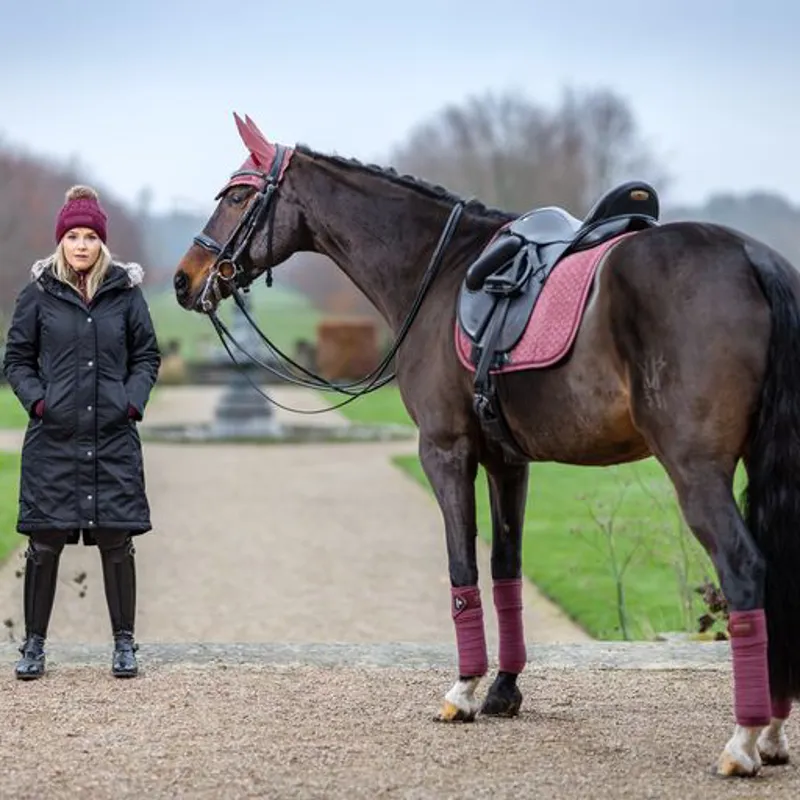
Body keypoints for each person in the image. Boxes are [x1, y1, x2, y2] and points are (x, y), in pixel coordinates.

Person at [2, 185, 161, 680]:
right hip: (53, 440)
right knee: (44, 544)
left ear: (101, 242)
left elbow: (146, 356)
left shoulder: (126, 295)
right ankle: (33, 645)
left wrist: (130, 402)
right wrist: (40, 402)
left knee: (117, 542)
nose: (82, 245)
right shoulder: (38, 295)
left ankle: (124, 643)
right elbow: (17, 360)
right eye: (73, 236)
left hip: (112, 437)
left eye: (90, 236)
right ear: (61, 241)